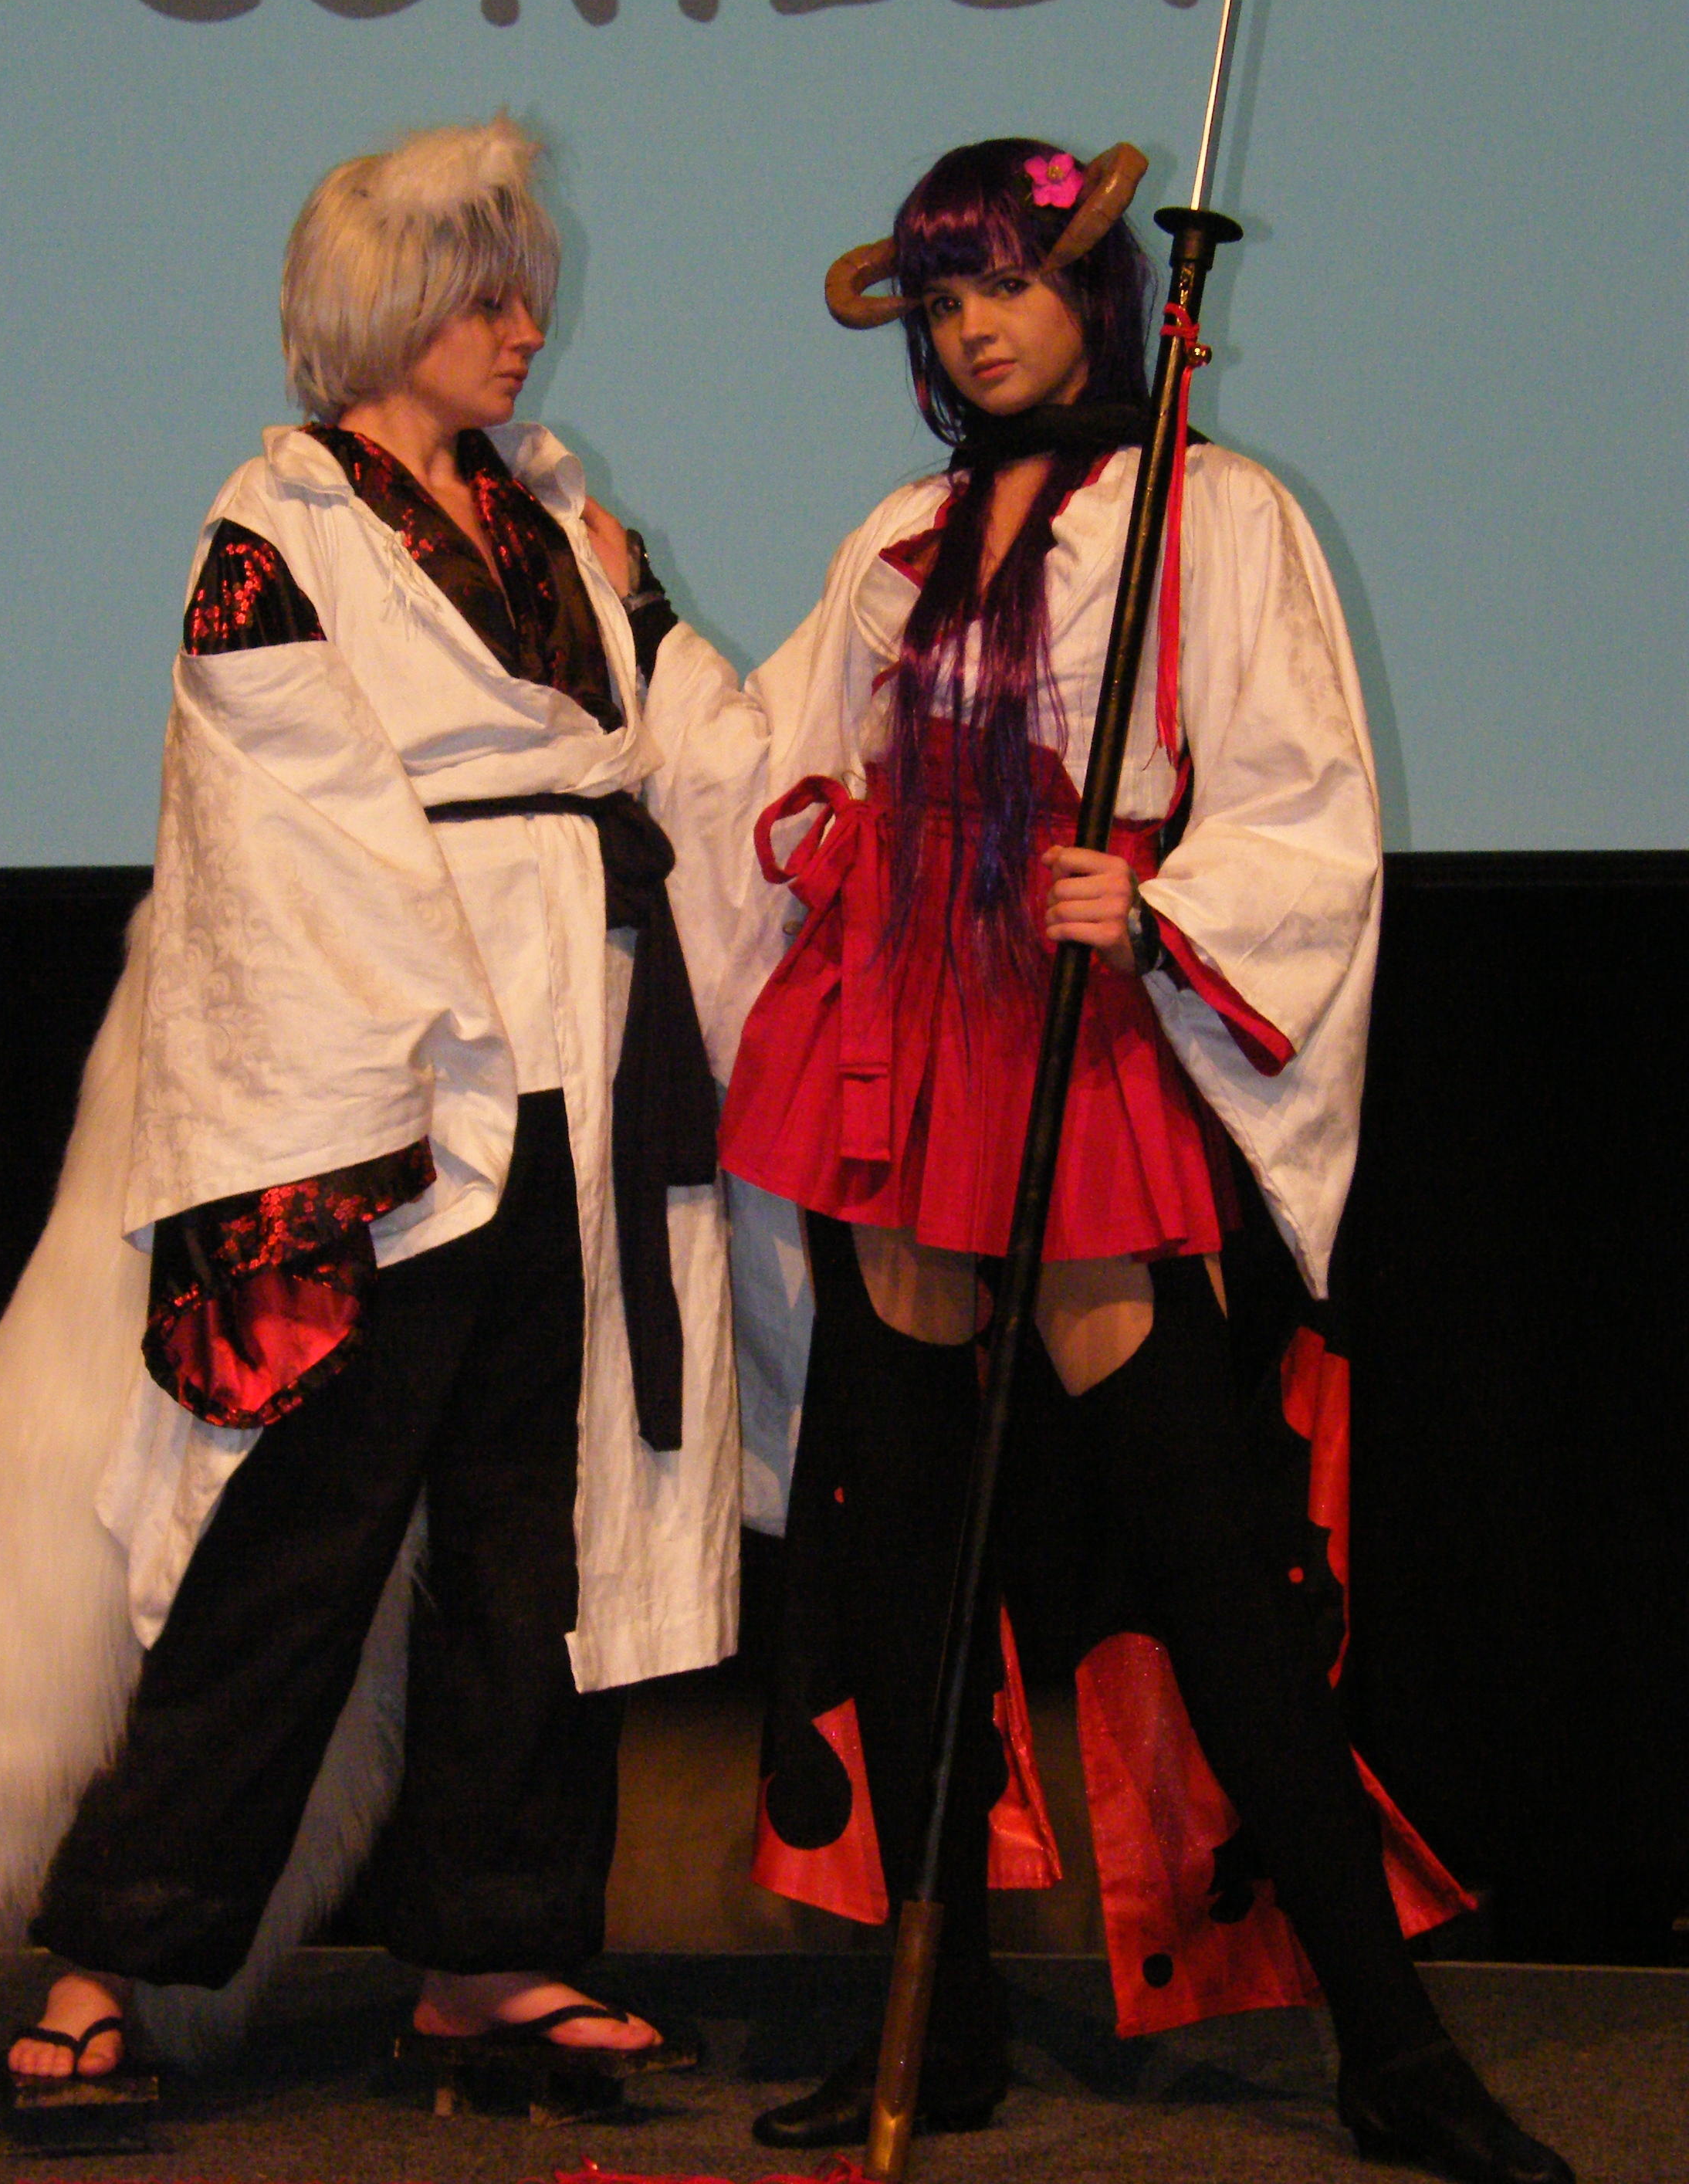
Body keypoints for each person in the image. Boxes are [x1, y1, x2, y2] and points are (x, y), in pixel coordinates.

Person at [637, 137, 1572, 2183]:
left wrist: (1153, 902)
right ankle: (942, 2016)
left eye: (1009, 285)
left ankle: (1391, 2045)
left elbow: (1303, 788)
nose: (977, 330)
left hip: (1067, 1030)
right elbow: (790, 754)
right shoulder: (902, 533)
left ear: (1096, 293)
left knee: (1212, 1555)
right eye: (942, 300)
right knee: (904, 1556)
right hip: (894, 1036)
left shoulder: (1213, 515)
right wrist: (672, 662)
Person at [0, 117, 738, 2102]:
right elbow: (284, 823)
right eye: (487, 296)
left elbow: (657, 743)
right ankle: (112, 1952)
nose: (525, 329)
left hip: (573, 1064)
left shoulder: (558, 517)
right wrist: (421, 1048)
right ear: (387, 305)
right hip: (380, 1099)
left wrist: (658, 642)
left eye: (526, 294)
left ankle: (493, 1949)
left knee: (536, 1538)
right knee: (298, 1539)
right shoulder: (273, 534)